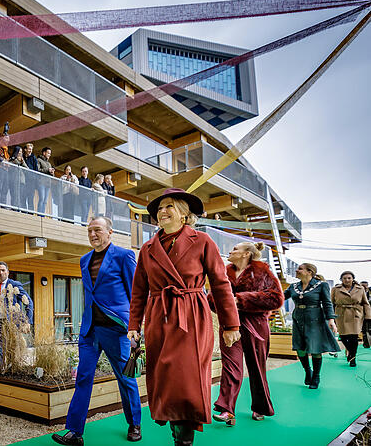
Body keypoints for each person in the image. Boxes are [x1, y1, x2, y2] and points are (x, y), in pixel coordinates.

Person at [128, 188, 240, 446]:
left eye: (169, 206)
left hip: (191, 315)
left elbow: (221, 284)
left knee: (186, 379)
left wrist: (230, 324)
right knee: (165, 378)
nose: (162, 211)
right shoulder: (147, 248)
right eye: (159, 209)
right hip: (159, 316)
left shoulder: (202, 241)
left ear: (184, 214)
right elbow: (139, 290)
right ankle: (177, 432)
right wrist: (134, 324)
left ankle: (184, 439)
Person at [52, 217, 143, 445]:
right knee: (83, 377)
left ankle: (134, 424)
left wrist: (136, 327)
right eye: (89, 230)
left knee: (127, 378)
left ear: (110, 232)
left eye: (97, 230)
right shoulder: (84, 260)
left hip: (117, 330)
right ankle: (74, 432)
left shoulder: (124, 256)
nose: (93, 234)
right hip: (90, 330)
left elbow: (136, 294)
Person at [209, 242, 284, 426]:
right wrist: (225, 304)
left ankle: (260, 406)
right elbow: (212, 298)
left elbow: (276, 298)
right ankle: (226, 409)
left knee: (257, 367)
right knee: (230, 366)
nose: (231, 250)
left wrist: (241, 299)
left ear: (246, 254)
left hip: (256, 325)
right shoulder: (224, 272)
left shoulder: (263, 272)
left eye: (235, 249)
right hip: (229, 325)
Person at [284, 263, 339, 389]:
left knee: (315, 349)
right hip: (298, 319)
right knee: (300, 348)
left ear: (310, 272)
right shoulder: (293, 286)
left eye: (300, 269)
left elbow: (327, 303)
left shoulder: (322, 285)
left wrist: (331, 319)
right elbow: (279, 297)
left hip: (315, 319)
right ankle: (308, 371)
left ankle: (316, 376)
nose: (297, 270)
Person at [331, 271, 371, 367]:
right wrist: (330, 316)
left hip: (356, 314)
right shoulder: (335, 289)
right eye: (344, 278)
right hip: (341, 314)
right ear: (341, 280)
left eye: (349, 278)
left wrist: (368, 316)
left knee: (353, 337)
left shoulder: (360, 289)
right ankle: (351, 353)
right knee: (343, 336)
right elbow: (331, 303)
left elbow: (365, 303)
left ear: (353, 279)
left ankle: (353, 358)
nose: (347, 280)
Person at [35, 147, 54, 214]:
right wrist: (47, 170)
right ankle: (39, 214)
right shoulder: (38, 160)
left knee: (45, 201)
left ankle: (42, 215)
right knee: (42, 199)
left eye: (50, 153)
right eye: (48, 153)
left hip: (47, 184)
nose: (49, 155)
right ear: (44, 153)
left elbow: (51, 175)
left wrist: (52, 173)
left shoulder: (49, 164)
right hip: (41, 182)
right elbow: (38, 170)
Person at [23, 143, 38, 210]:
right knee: (23, 197)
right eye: (29, 149)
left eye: (31, 149)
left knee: (30, 198)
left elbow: (36, 169)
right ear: (25, 149)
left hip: (31, 181)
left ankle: (31, 213)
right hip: (24, 180)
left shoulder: (33, 157)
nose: (30, 151)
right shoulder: (22, 157)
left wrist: (34, 179)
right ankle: (23, 212)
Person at [363, 281, 371, 348]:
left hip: (369, 314)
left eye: (365, 286)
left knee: (369, 330)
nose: (364, 287)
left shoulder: (369, 293)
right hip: (361, 315)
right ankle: (366, 344)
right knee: (364, 330)